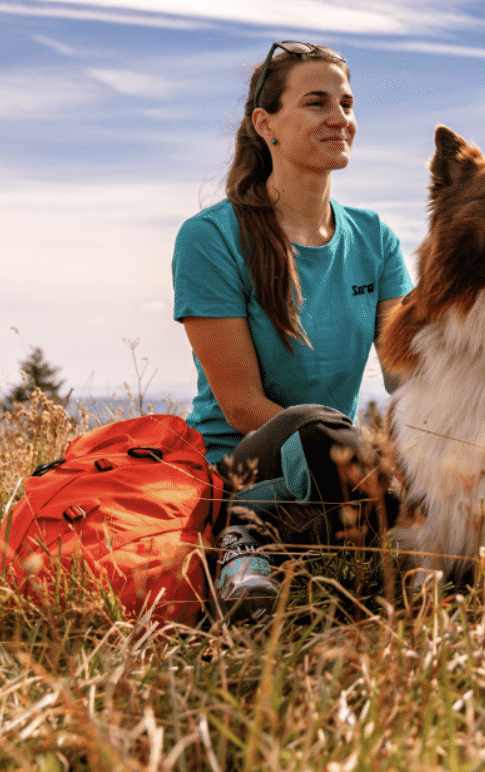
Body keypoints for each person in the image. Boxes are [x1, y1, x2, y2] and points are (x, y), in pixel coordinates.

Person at [171, 40, 411, 618]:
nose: (340, 118)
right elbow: (240, 405)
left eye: (347, 103)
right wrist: (356, 456)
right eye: (316, 103)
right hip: (247, 464)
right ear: (266, 124)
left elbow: (410, 376)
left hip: (339, 469)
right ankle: (242, 544)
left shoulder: (375, 237)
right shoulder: (211, 237)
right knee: (312, 424)